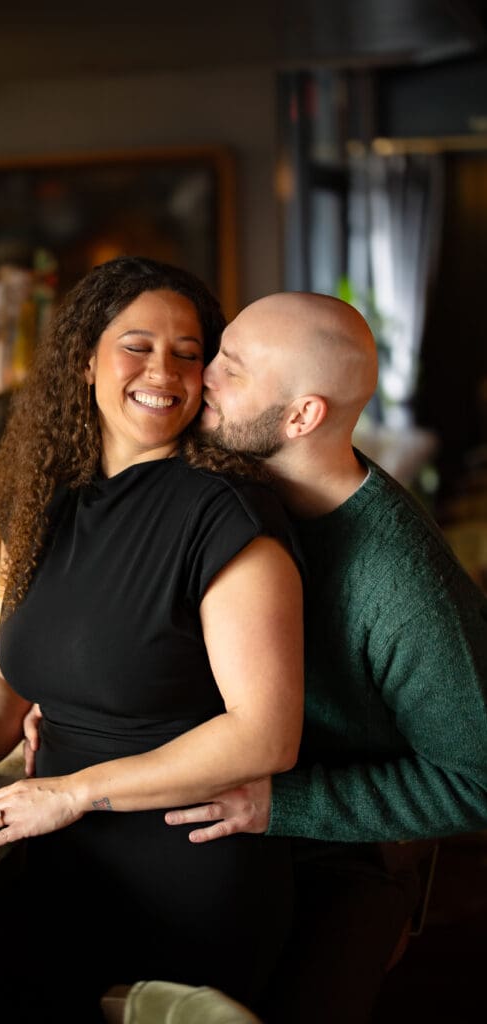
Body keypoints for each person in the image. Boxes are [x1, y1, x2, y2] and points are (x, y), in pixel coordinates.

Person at [0, 258, 305, 1021]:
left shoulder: (226, 514)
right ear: (86, 358)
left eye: (189, 352)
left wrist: (70, 793)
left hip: (185, 879)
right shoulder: (51, 502)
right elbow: (9, 682)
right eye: (137, 344)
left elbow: (265, 735)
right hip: (57, 862)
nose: (163, 370)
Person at [158, 290, 487, 1024]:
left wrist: (283, 804)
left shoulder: (402, 582)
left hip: (345, 858)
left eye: (231, 369)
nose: (201, 376)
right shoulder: (227, 489)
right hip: (227, 826)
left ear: (302, 417)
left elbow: (477, 779)